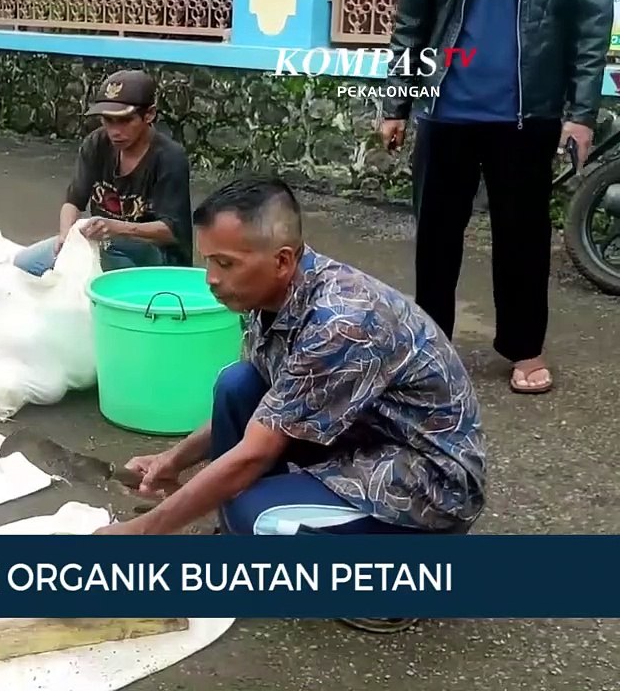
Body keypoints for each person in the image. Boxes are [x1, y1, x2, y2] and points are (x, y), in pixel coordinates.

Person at [95, 177, 487, 625]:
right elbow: (274, 402)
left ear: (282, 260)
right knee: (238, 384)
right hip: (361, 438)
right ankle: (265, 531)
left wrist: (145, 531)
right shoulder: (271, 296)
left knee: (255, 517)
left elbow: (254, 451)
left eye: (225, 263)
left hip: (425, 481)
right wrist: (172, 460)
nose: (212, 279)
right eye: (208, 262)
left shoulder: (340, 322)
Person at [379, 0, 613, 394]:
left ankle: (524, 347)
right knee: (436, 236)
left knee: (523, 236)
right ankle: (432, 343)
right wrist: (397, 101)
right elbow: (412, 15)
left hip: (528, 111)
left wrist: (581, 114)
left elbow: (591, 24)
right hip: (445, 105)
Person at [13, 69, 193, 276]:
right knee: (25, 264)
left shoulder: (170, 158)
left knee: (108, 247)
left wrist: (117, 228)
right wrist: (66, 237)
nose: (115, 131)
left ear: (149, 114)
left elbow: (171, 231)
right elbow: (74, 201)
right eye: (108, 120)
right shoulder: (96, 144)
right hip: (104, 242)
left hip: (159, 257)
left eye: (125, 120)